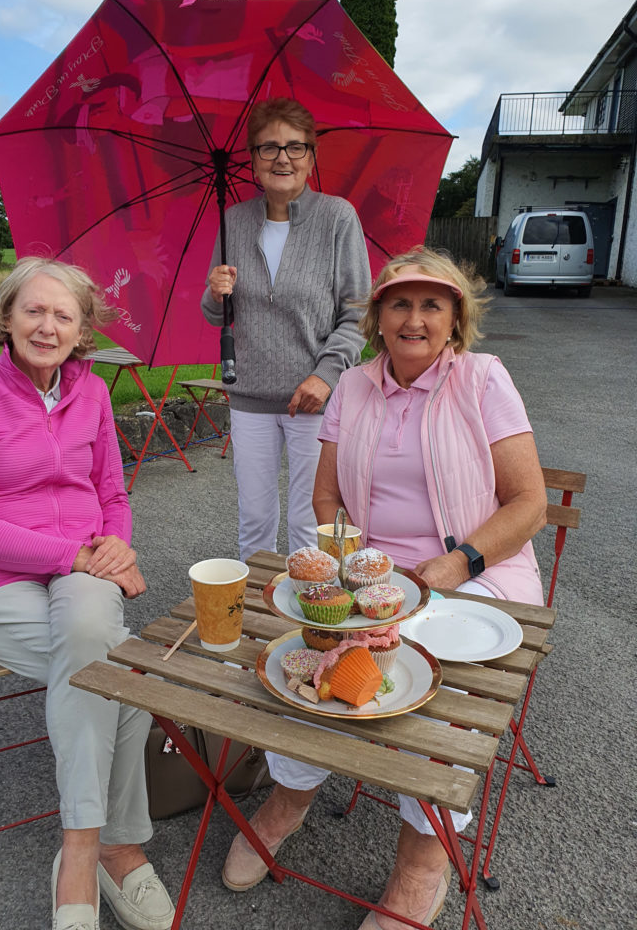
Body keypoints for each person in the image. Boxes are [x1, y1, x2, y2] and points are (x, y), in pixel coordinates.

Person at [221, 247, 547, 929]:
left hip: (472, 578)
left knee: (437, 683)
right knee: (299, 654)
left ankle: (422, 863)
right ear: (377, 317)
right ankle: (291, 793)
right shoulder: (354, 386)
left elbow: (527, 506)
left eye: (433, 303)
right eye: (400, 302)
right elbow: (326, 497)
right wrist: (348, 574)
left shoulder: (483, 379)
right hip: (372, 575)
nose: (415, 317)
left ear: (456, 318)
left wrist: (454, 565)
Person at [0, 258, 174, 930]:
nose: (47, 325)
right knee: (120, 667)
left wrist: (118, 543)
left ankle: (87, 847)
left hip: (80, 581)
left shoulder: (92, 393)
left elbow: (111, 493)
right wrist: (79, 553)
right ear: (6, 318)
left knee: (96, 638)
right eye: (33, 311)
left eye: (63, 315)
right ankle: (106, 846)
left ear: (82, 331)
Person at [201, 97, 371, 562]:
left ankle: (308, 614)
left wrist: (327, 375)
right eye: (269, 147)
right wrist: (215, 295)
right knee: (254, 517)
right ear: (253, 160)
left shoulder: (338, 219)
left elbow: (358, 312)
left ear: (311, 159)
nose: (282, 158)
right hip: (251, 396)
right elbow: (218, 317)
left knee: (309, 519)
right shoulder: (232, 221)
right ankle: (259, 615)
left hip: (314, 399)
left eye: (295, 148)